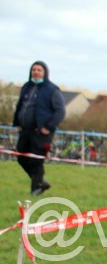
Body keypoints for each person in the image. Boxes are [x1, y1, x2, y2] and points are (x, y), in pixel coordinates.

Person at [12, 61, 66, 196]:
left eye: (39, 70)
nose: (36, 72)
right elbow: (20, 106)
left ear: (45, 72)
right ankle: (41, 182)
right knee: (21, 158)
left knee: (36, 160)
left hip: (41, 133)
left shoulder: (52, 90)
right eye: (34, 70)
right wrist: (17, 122)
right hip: (25, 130)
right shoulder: (26, 87)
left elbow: (60, 111)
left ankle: (36, 189)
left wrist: (48, 127)